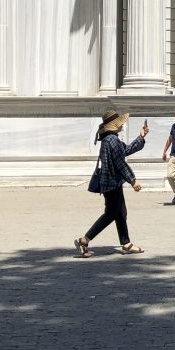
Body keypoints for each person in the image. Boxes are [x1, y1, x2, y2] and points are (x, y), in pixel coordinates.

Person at [75, 108, 146, 256]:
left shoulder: (110, 139)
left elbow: (126, 150)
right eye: (120, 123)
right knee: (110, 215)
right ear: (115, 125)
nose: (122, 125)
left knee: (120, 213)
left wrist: (141, 137)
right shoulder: (112, 140)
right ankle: (84, 240)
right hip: (112, 183)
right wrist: (133, 181)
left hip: (110, 182)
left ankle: (126, 244)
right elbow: (120, 163)